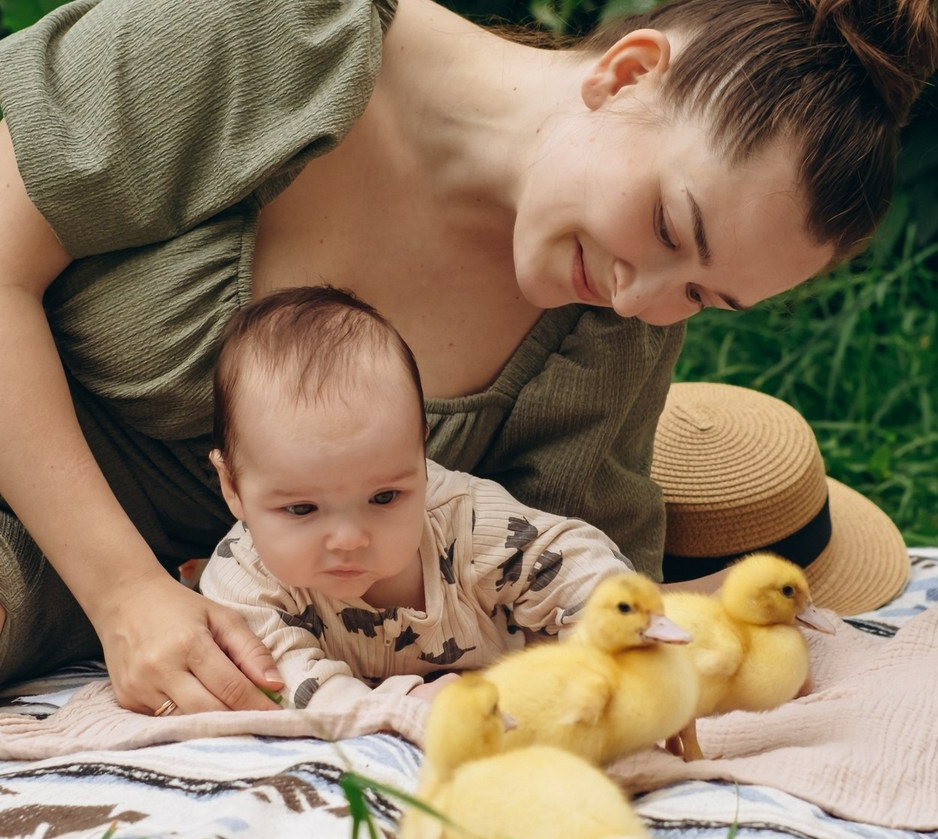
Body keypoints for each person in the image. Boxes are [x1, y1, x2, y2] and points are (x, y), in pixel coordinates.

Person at [0, 0, 938, 732]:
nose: (643, 295)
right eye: (669, 228)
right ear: (627, 73)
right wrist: (128, 597)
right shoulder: (288, 18)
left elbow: (592, 598)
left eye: (701, 295)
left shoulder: (604, 325)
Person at [198, 285, 633, 713]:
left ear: (420, 454)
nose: (349, 539)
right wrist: (404, 707)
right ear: (232, 486)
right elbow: (283, 686)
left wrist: (612, 644)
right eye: (301, 509)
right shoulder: (242, 583)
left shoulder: (463, 519)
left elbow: (573, 559)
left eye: (385, 497)